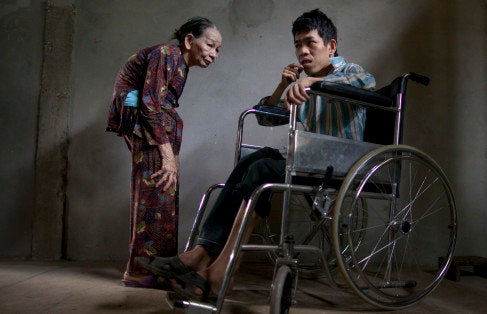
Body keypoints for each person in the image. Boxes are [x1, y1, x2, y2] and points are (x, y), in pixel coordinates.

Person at [139, 8, 375, 300]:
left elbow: (369, 84)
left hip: (342, 164)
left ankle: (223, 269)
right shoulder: (301, 87)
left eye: (310, 43)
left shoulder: (349, 72)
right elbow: (266, 118)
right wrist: (282, 86)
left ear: (331, 46)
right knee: (252, 160)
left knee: (261, 170)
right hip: (308, 159)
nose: (302, 51)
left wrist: (313, 82)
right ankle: (203, 253)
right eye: (297, 44)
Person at [106, 17, 222, 288]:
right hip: (143, 128)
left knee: (163, 199)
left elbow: (160, 107)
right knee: (153, 197)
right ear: (189, 40)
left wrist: (174, 156)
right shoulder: (166, 54)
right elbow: (149, 105)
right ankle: (138, 271)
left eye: (218, 50)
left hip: (154, 131)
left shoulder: (179, 63)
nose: (214, 54)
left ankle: (159, 268)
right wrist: (168, 156)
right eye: (210, 45)